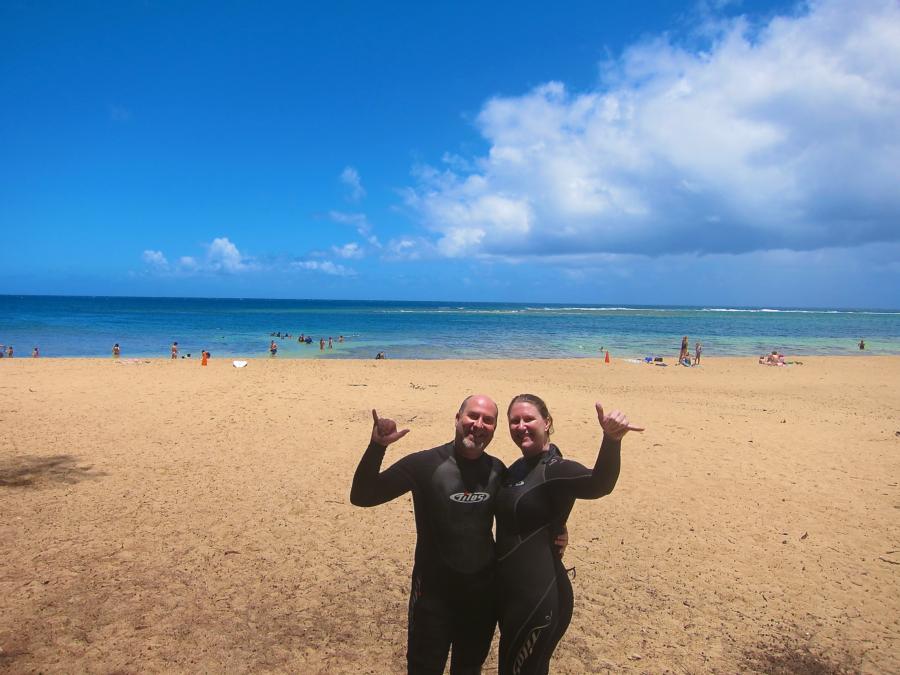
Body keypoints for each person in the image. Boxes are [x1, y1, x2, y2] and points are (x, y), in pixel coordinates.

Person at [351, 396, 505, 674]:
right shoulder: (424, 465)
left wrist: (558, 529)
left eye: (488, 420)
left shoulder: (498, 471)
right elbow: (363, 495)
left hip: (482, 597)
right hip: (432, 596)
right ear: (457, 418)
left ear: (495, 428)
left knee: (469, 668)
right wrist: (377, 447)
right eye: (472, 416)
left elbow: (522, 513)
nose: (478, 424)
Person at [496, 394, 642, 675]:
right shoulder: (516, 468)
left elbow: (599, 483)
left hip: (539, 597)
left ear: (547, 422)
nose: (521, 426)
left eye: (529, 419)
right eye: (514, 421)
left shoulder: (555, 469)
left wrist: (611, 441)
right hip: (514, 596)